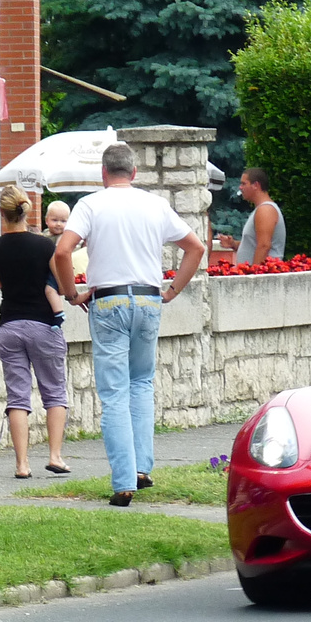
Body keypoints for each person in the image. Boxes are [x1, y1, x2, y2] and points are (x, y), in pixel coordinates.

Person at [52, 143, 206, 507]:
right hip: (150, 299)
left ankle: (123, 482)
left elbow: (61, 251)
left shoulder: (91, 204)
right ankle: (141, 467)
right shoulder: (155, 204)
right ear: (134, 173)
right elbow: (196, 247)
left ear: (103, 174)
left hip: (108, 301)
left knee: (115, 393)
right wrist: (172, 290)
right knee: (141, 383)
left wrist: (72, 293)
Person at [0, 186, 71, 478]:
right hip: (43, 324)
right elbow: (59, 282)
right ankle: (55, 456)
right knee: (54, 391)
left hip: (9, 324)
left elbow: (1, 285)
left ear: (2, 212)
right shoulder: (44, 246)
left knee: (17, 397)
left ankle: (22, 464)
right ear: (28, 211)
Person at [235, 167, 284, 264]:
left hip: (263, 275)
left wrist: (254, 276)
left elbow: (264, 246)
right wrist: (233, 244)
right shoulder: (261, 209)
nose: (240, 187)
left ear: (256, 185)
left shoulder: (265, 210)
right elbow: (254, 245)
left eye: (244, 183)